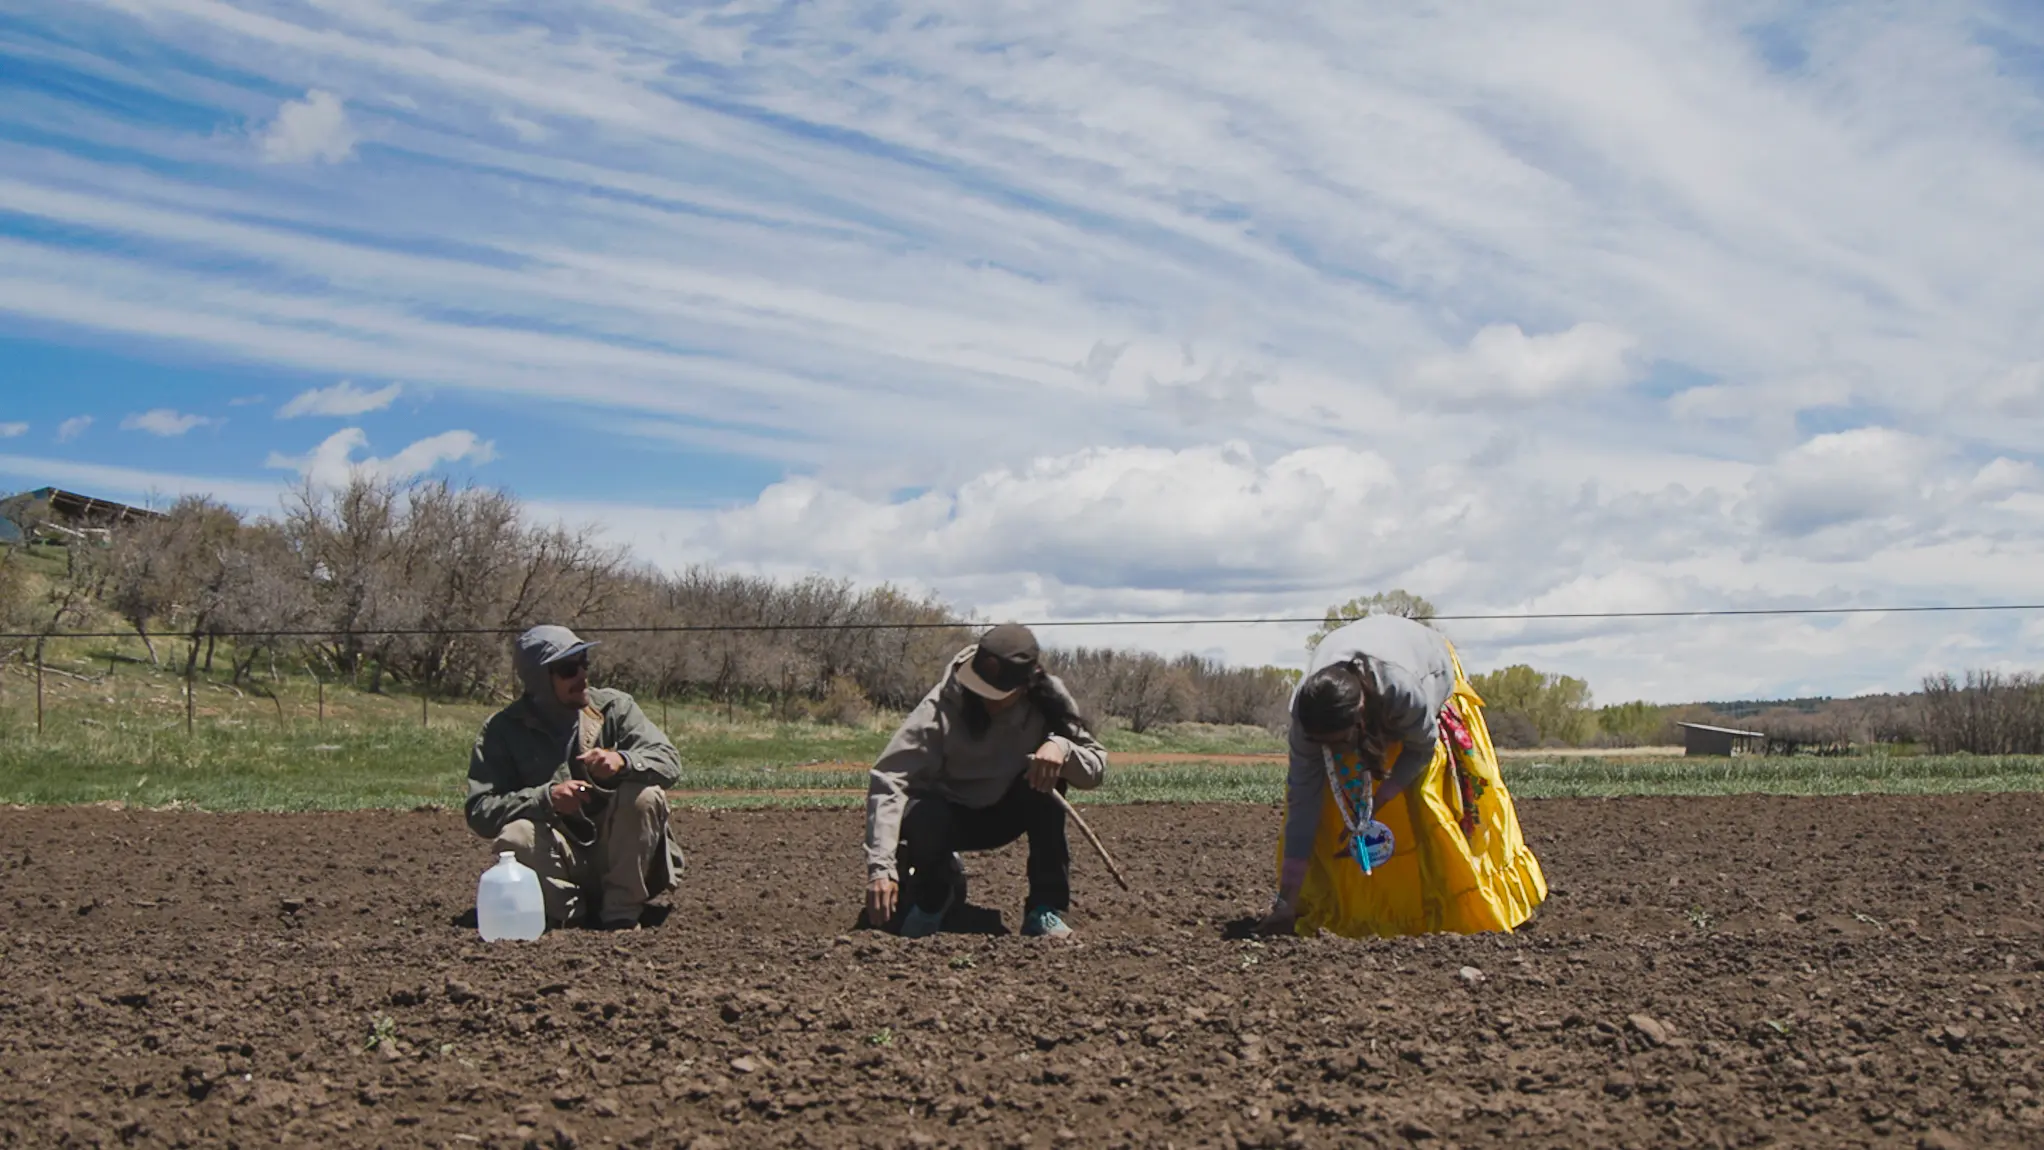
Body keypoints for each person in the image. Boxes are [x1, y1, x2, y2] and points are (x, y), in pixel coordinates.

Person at [1255, 614, 1547, 938]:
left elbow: (1421, 747)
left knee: (1426, 802)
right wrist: (1285, 902)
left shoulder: (1403, 690)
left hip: (1427, 670)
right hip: (1371, 697)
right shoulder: (1305, 717)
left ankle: (1466, 908)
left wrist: (1382, 797)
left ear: (1359, 720)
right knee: (1326, 807)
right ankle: (1341, 908)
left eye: (1339, 742)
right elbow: (1302, 803)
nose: (1335, 750)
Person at [864, 623, 1108, 939]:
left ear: (1026, 686)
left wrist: (1062, 747)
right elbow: (889, 778)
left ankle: (1043, 910)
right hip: (949, 818)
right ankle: (933, 898)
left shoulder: (1050, 698)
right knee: (921, 811)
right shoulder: (941, 706)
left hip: (1008, 811)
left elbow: (1095, 769)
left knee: (1050, 783)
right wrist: (881, 868)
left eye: (997, 694)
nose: (984, 698)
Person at [465, 625, 685, 930]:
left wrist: (622, 761)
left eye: (584, 663)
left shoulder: (614, 708)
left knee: (645, 795)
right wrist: (546, 799)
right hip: (558, 860)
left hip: (619, 855)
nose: (582, 675)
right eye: (568, 669)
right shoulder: (502, 731)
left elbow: (670, 761)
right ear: (539, 680)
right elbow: (480, 811)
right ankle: (573, 915)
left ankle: (620, 913)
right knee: (516, 836)